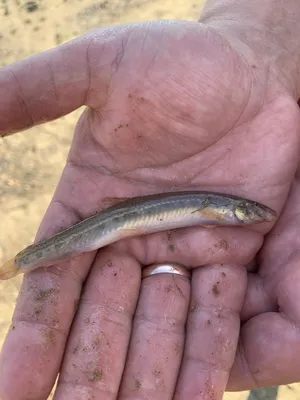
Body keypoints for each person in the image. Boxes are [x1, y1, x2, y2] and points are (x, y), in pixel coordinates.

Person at [1, 0, 300, 398]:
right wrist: (263, 38)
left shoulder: (224, 206)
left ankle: (22, 261)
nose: (252, 216)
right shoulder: (221, 206)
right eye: (248, 213)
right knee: (86, 244)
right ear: (233, 212)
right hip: (115, 222)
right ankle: (23, 261)